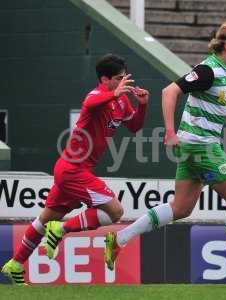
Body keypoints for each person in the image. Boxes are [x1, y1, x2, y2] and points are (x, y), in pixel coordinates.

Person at [104, 22, 226, 285]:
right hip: (201, 146)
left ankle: (119, 239)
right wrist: (169, 131)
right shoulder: (207, 70)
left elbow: (224, 102)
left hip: (195, 146)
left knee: (181, 207)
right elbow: (169, 91)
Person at [1, 54, 149, 285]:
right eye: (119, 78)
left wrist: (143, 106)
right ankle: (60, 230)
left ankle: (15, 264)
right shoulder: (97, 95)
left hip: (74, 170)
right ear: (105, 79)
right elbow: (91, 103)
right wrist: (114, 93)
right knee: (115, 211)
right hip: (73, 170)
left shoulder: (121, 100)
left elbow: (134, 127)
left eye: (124, 78)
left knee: (43, 221)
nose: (124, 82)